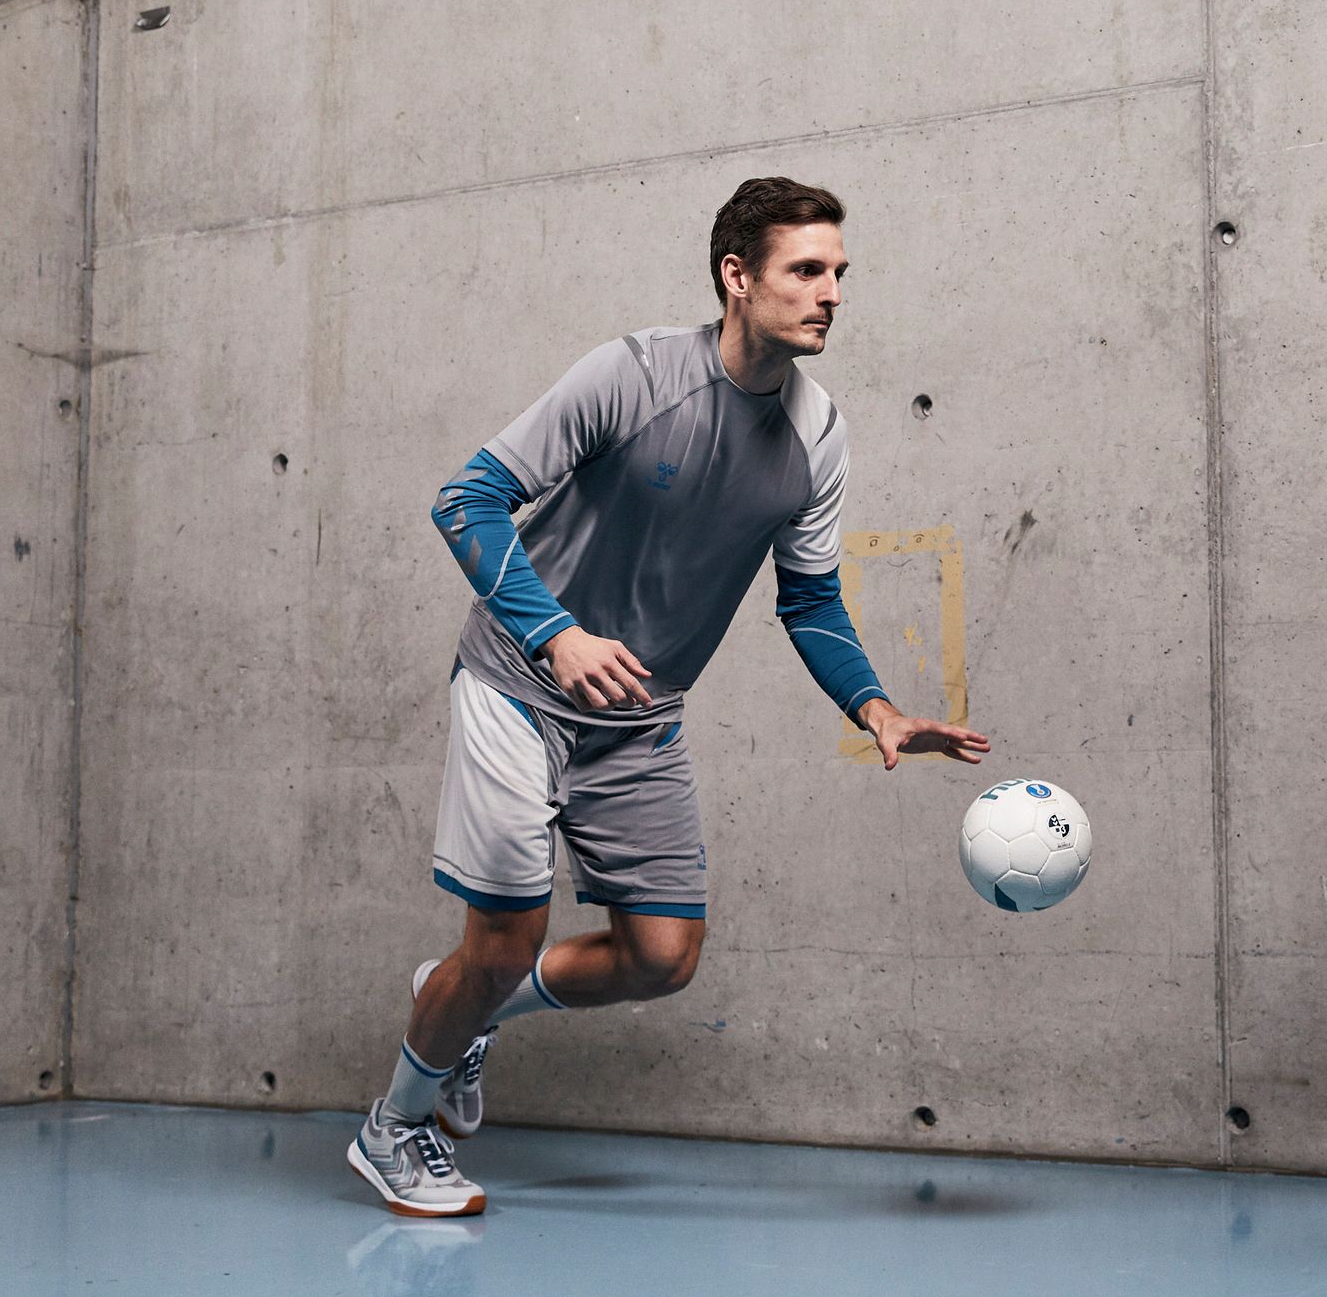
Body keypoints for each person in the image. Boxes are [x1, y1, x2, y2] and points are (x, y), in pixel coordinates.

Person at [346, 177, 991, 1216]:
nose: (831, 293)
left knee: (661, 957)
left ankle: (461, 1007)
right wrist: (556, 635)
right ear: (737, 277)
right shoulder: (633, 375)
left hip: (638, 721)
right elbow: (467, 500)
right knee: (503, 941)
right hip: (519, 687)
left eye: (839, 272)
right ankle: (392, 1128)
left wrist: (874, 708)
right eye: (806, 270)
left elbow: (809, 598)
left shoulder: (818, 435)